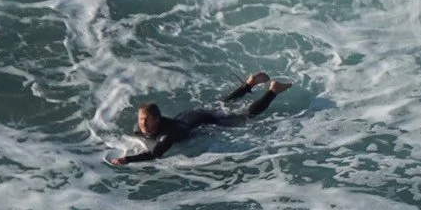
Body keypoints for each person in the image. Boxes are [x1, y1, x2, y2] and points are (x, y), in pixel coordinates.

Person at [111, 73, 291, 165]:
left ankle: (274, 90)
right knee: (223, 104)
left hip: (203, 119)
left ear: (157, 120)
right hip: (189, 115)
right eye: (141, 119)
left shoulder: (167, 135)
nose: (142, 124)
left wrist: (128, 159)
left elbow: (155, 154)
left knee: (246, 116)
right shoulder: (143, 126)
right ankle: (249, 83)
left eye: (146, 120)